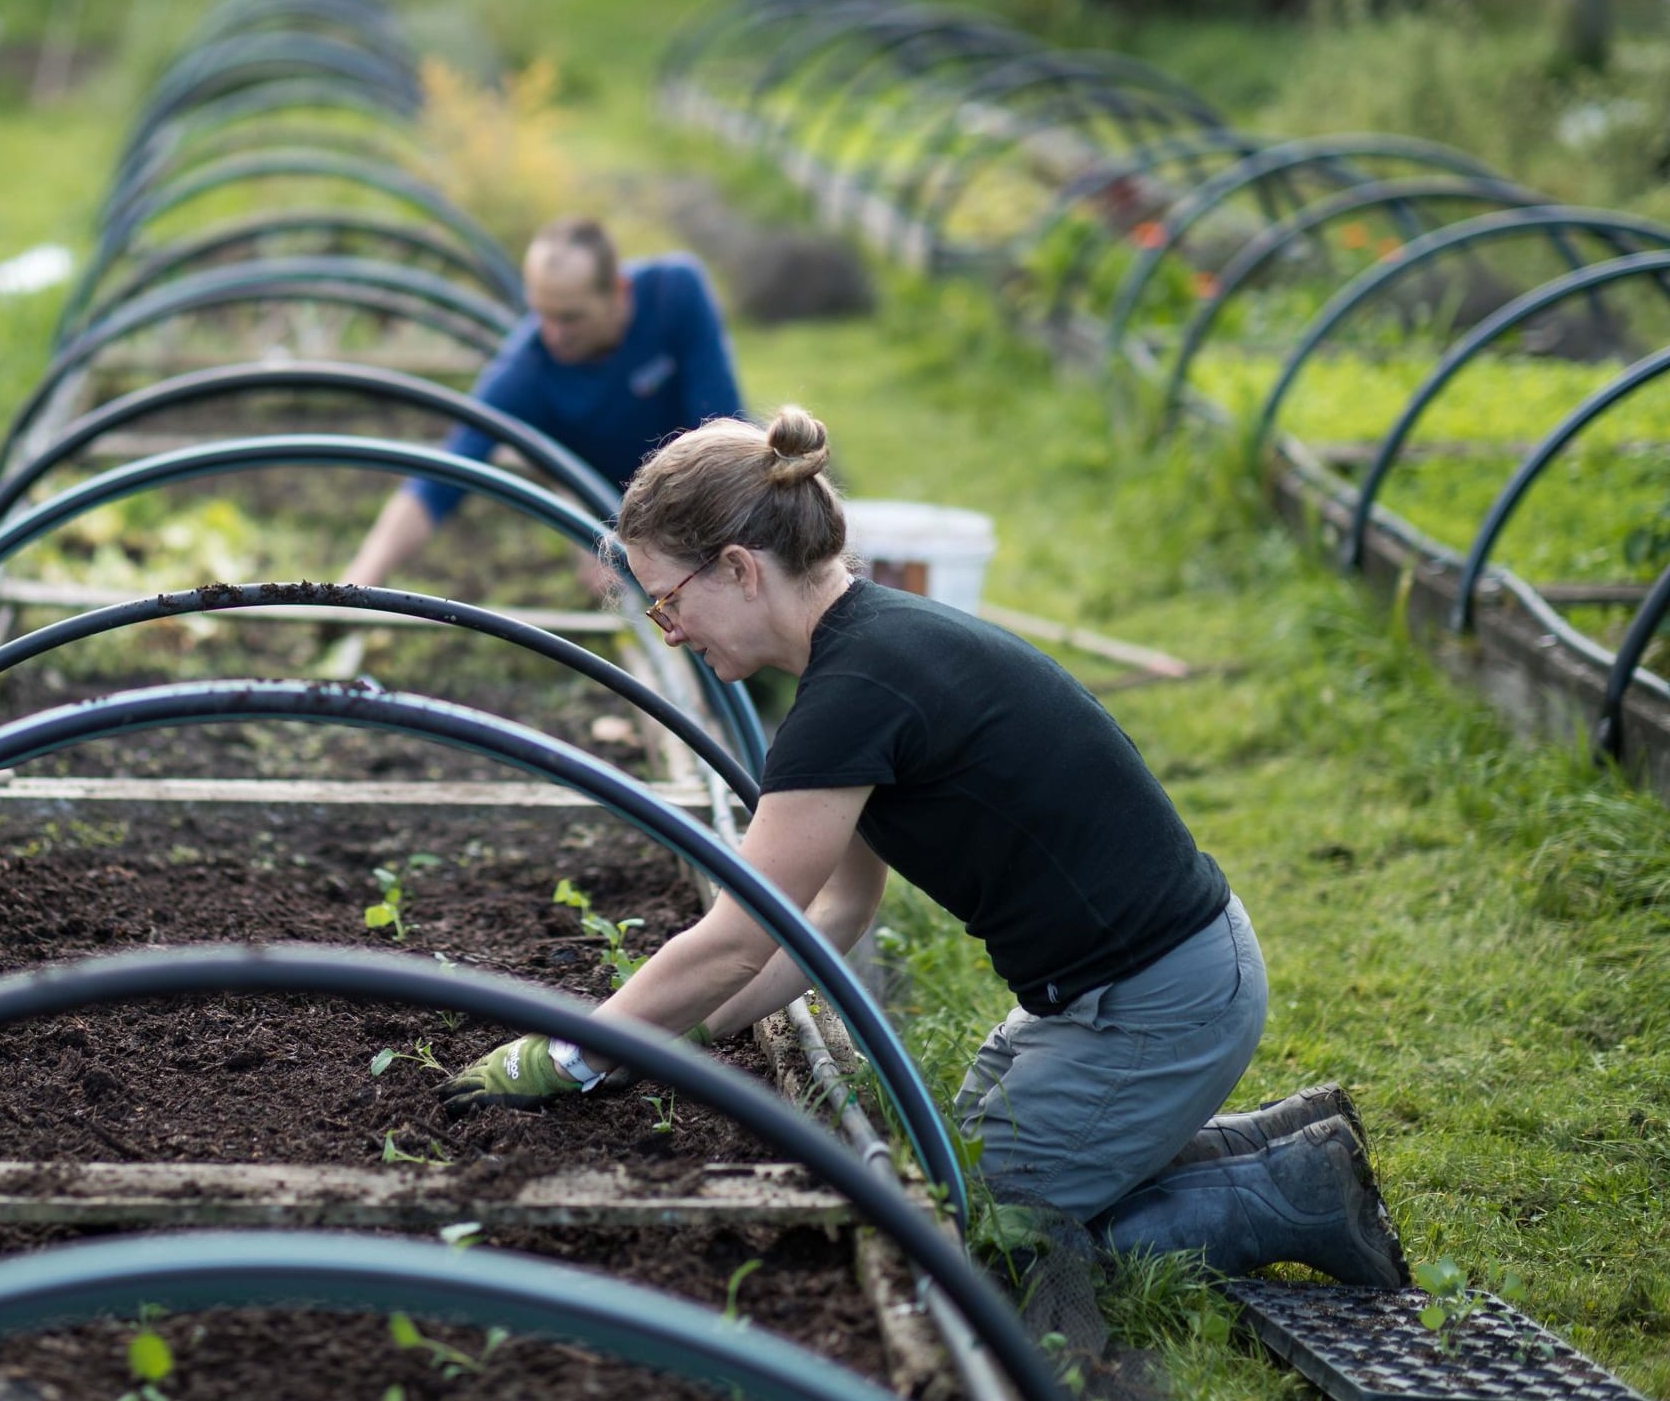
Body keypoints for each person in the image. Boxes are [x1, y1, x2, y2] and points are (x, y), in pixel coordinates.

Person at [437, 407, 1409, 1287]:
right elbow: (834, 914)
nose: (671, 629)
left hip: (1157, 1002)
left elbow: (739, 934)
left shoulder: (852, 697)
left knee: (983, 1238)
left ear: (738, 568)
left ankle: (1291, 1193)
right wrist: (685, 1031)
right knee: (966, 1150)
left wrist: (573, 1054)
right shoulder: (865, 657)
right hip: (1137, 983)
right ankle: (1281, 1143)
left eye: (665, 600)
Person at [340, 217, 744, 590]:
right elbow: (443, 477)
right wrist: (359, 580)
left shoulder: (673, 295)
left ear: (619, 292)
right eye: (542, 315)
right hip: (615, 510)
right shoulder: (529, 370)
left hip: (698, 483)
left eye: (570, 318)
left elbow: (720, 425)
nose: (554, 334)